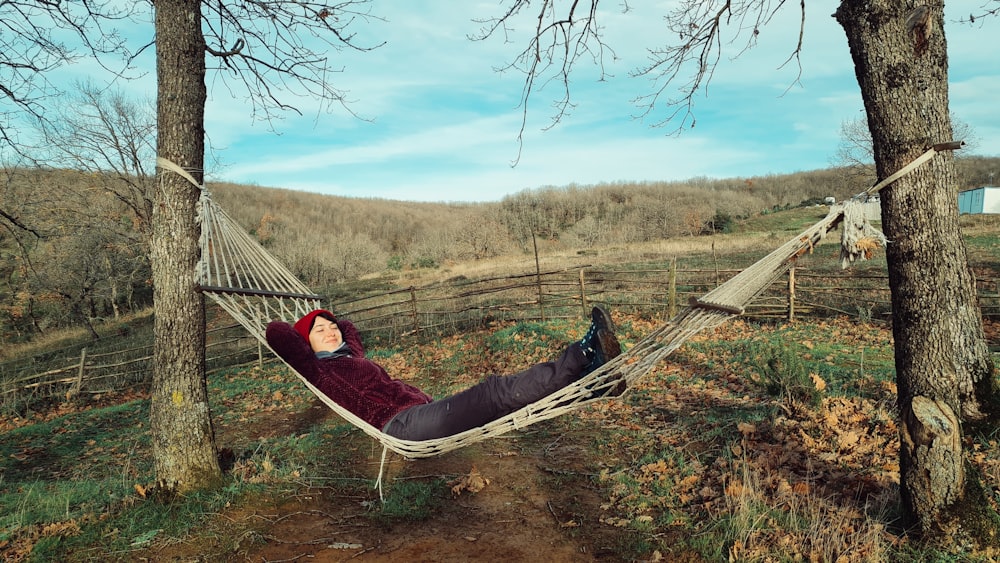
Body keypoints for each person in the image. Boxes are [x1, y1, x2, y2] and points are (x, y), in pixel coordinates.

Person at [265, 307, 621, 441]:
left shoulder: (350, 354)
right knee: (494, 392)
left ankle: (591, 385)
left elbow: (349, 327)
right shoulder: (318, 369)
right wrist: (303, 329)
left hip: (419, 415)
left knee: (505, 407)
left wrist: (326, 322)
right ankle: (584, 351)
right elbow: (276, 333)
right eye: (319, 331)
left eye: (331, 326)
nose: (331, 332)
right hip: (401, 425)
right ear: (305, 345)